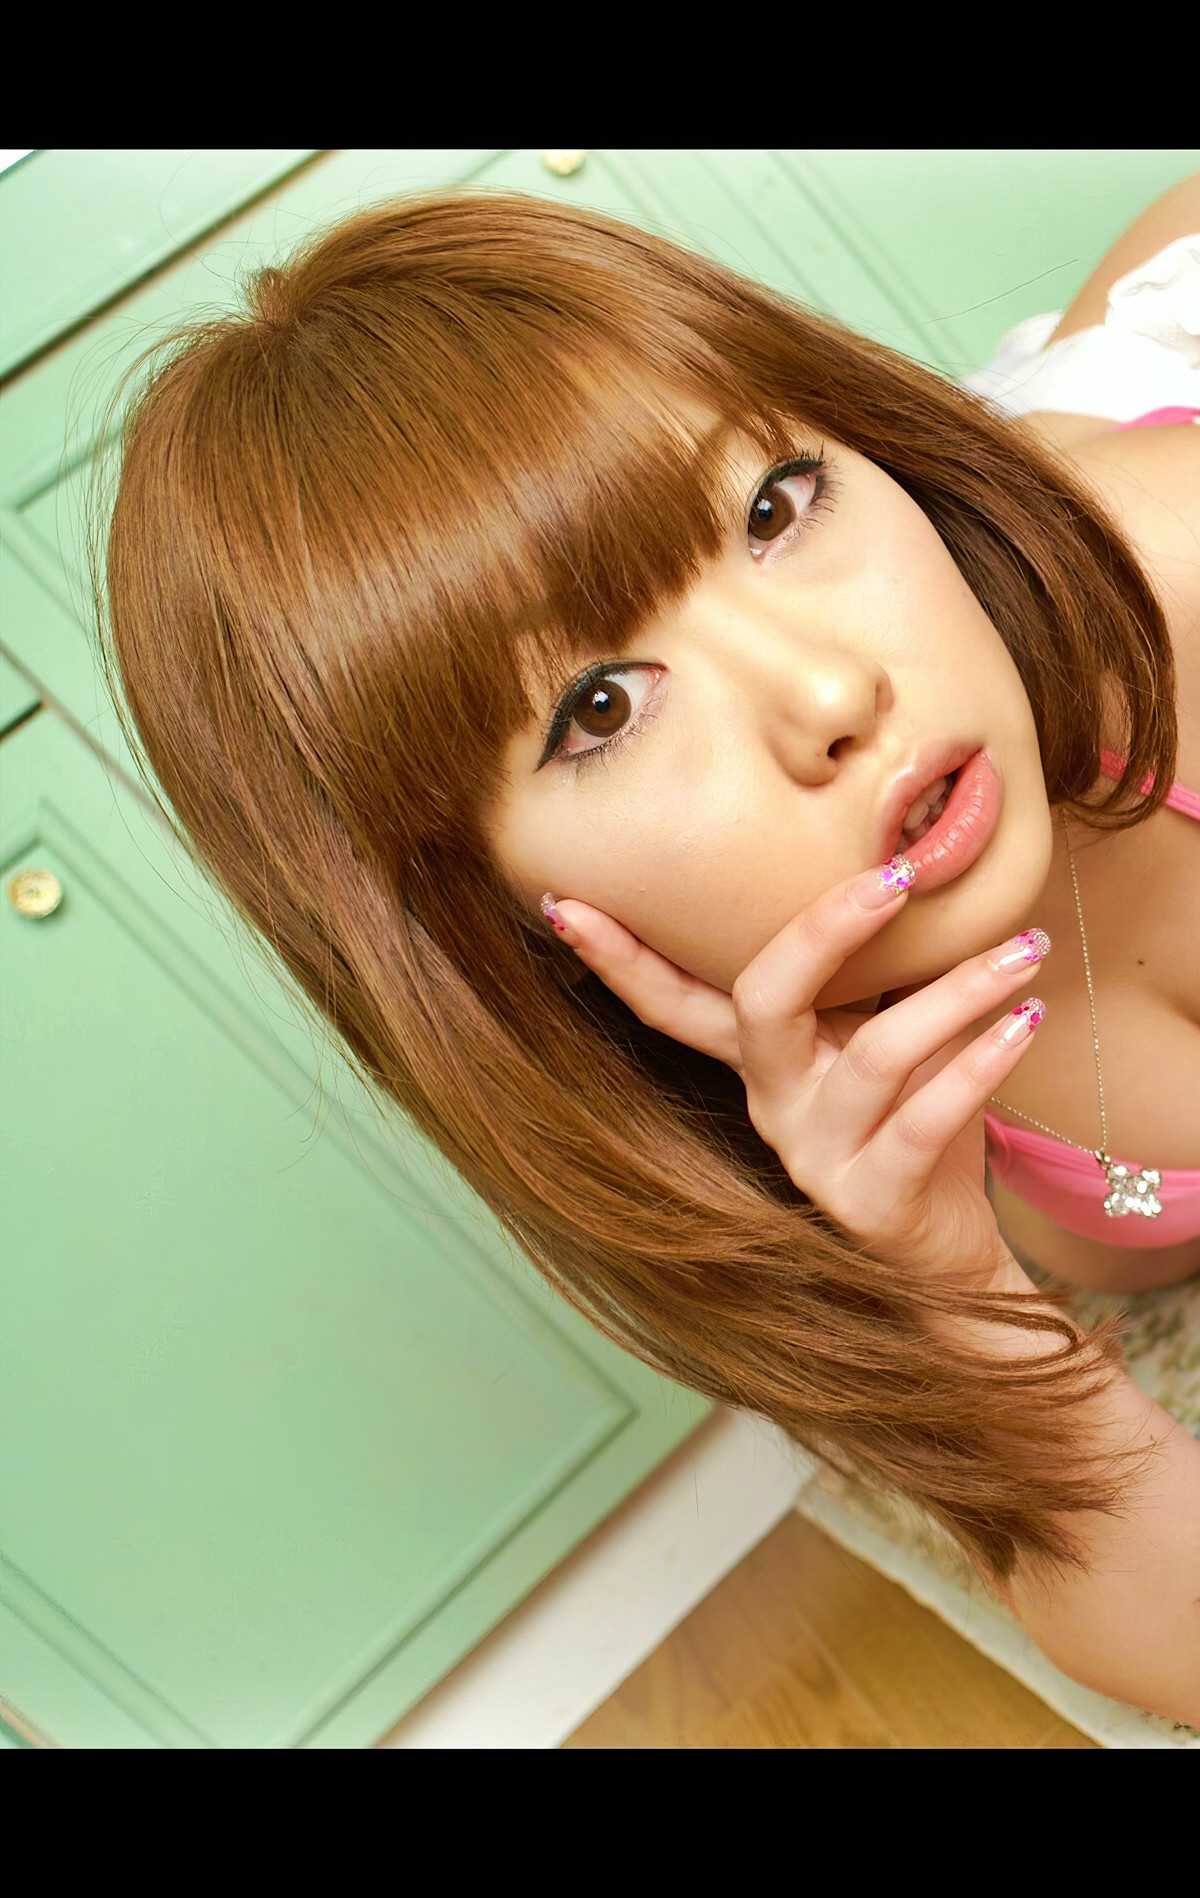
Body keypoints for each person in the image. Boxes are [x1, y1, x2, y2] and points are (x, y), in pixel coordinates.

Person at [85, 184, 1200, 1722]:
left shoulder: (1174, 558)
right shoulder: (831, 1113)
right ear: (489, 923)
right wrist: (949, 1282)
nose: (829, 693)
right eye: (599, 707)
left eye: (776, 505)